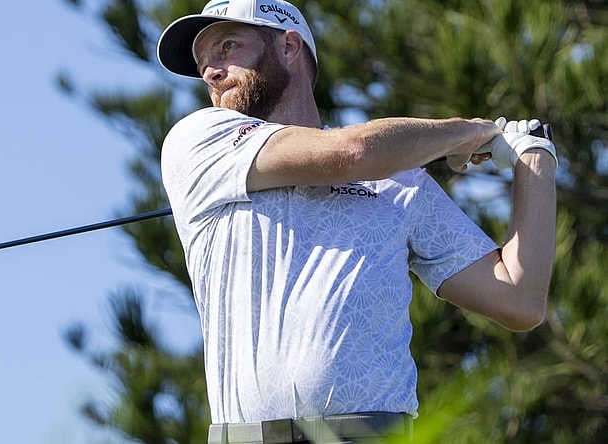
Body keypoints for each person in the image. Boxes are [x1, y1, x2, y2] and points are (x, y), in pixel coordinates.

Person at [156, 1, 557, 442]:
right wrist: (469, 132)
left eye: (227, 46)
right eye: (203, 63)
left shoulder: (399, 182)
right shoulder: (198, 141)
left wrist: (535, 158)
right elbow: (352, 153)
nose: (211, 71)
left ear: (289, 46)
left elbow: (519, 299)